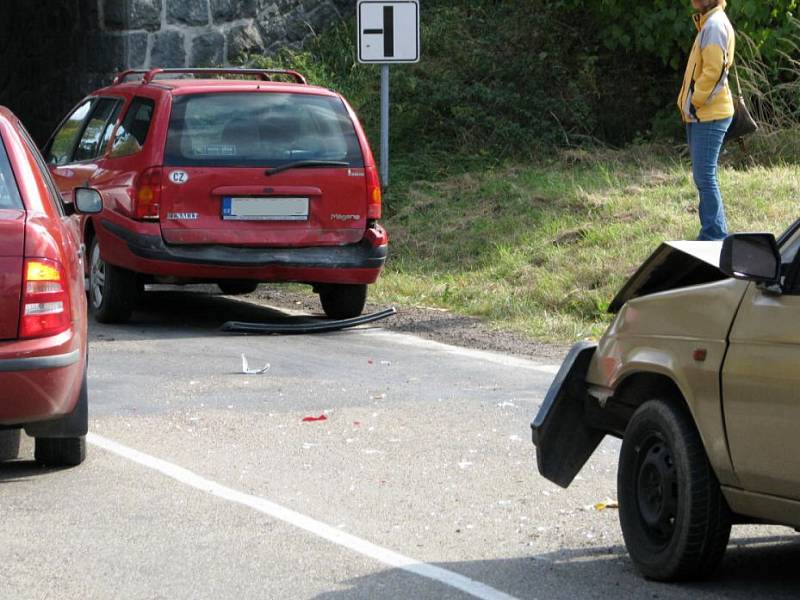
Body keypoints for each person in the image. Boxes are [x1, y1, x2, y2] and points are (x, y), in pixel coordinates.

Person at [677, 0, 735, 241]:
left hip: (709, 114)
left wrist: (694, 102)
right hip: (703, 113)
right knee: (704, 176)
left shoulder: (714, 25)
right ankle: (715, 232)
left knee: (705, 176)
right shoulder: (709, 22)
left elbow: (714, 71)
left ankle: (714, 235)